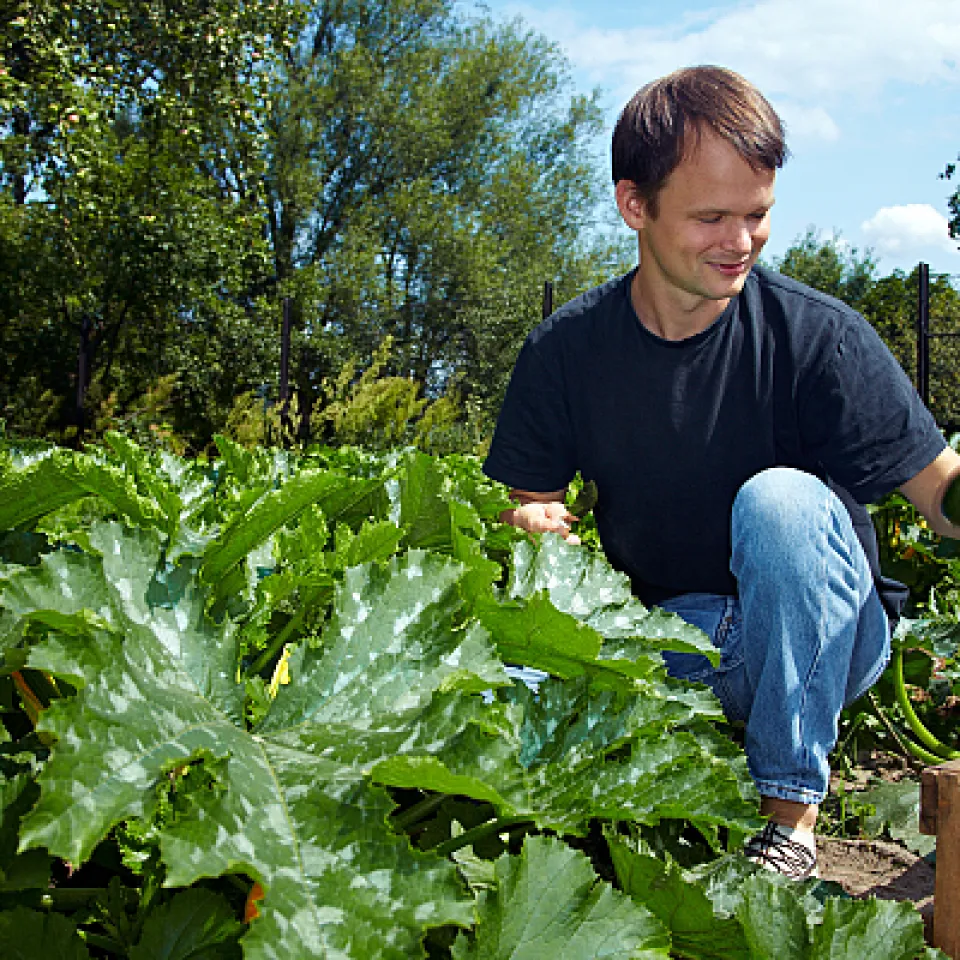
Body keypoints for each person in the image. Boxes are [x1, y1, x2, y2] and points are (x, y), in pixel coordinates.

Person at [482, 65, 960, 881]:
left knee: (782, 502)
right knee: (506, 683)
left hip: (828, 635)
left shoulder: (820, 337)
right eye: (711, 217)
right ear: (635, 205)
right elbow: (533, 511)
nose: (740, 242)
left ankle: (788, 818)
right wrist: (532, 524)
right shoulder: (564, 352)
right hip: (677, 639)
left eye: (757, 215)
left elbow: (942, 492)